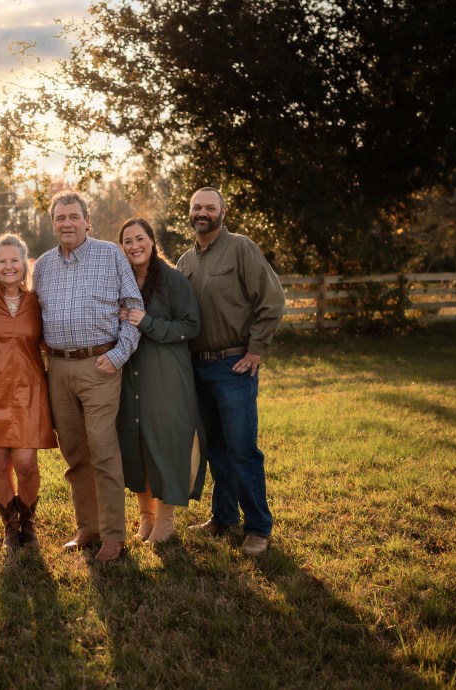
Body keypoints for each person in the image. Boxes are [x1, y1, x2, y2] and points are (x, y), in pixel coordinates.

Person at [32, 190, 143, 563]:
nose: (67, 223)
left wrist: (119, 355)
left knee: (102, 448)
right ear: (53, 223)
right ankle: (87, 528)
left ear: (87, 221)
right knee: (74, 451)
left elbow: (133, 306)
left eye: (73, 217)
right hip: (58, 367)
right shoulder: (43, 266)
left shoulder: (110, 255)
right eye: (60, 218)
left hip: (100, 366)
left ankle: (113, 536)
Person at [176, 186, 285, 556]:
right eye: (197, 207)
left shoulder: (240, 247)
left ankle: (258, 528)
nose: (202, 213)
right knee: (216, 449)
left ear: (222, 212)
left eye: (210, 207)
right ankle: (223, 517)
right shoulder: (185, 262)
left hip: (233, 366)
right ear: (190, 212)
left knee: (241, 449)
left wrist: (256, 350)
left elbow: (272, 299)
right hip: (197, 368)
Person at [0, 233, 57, 553]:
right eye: (1, 261)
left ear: (24, 264)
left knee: (26, 462)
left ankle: (28, 519)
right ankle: (10, 525)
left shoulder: (37, 301)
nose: (8, 266)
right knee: (0, 461)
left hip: (30, 390)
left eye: (14, 260)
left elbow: (51, 339)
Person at [116, 218, 207, 544]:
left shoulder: (172, 279)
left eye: (140, 238)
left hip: (166, 372)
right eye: (128, 241)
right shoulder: (123, 280)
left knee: (164, 444)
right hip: (132, 371)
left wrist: (147, 322)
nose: (134, 246)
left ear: (152, 241)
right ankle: (147, 517)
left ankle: (165, 522)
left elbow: (191, 326)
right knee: (135, 443)